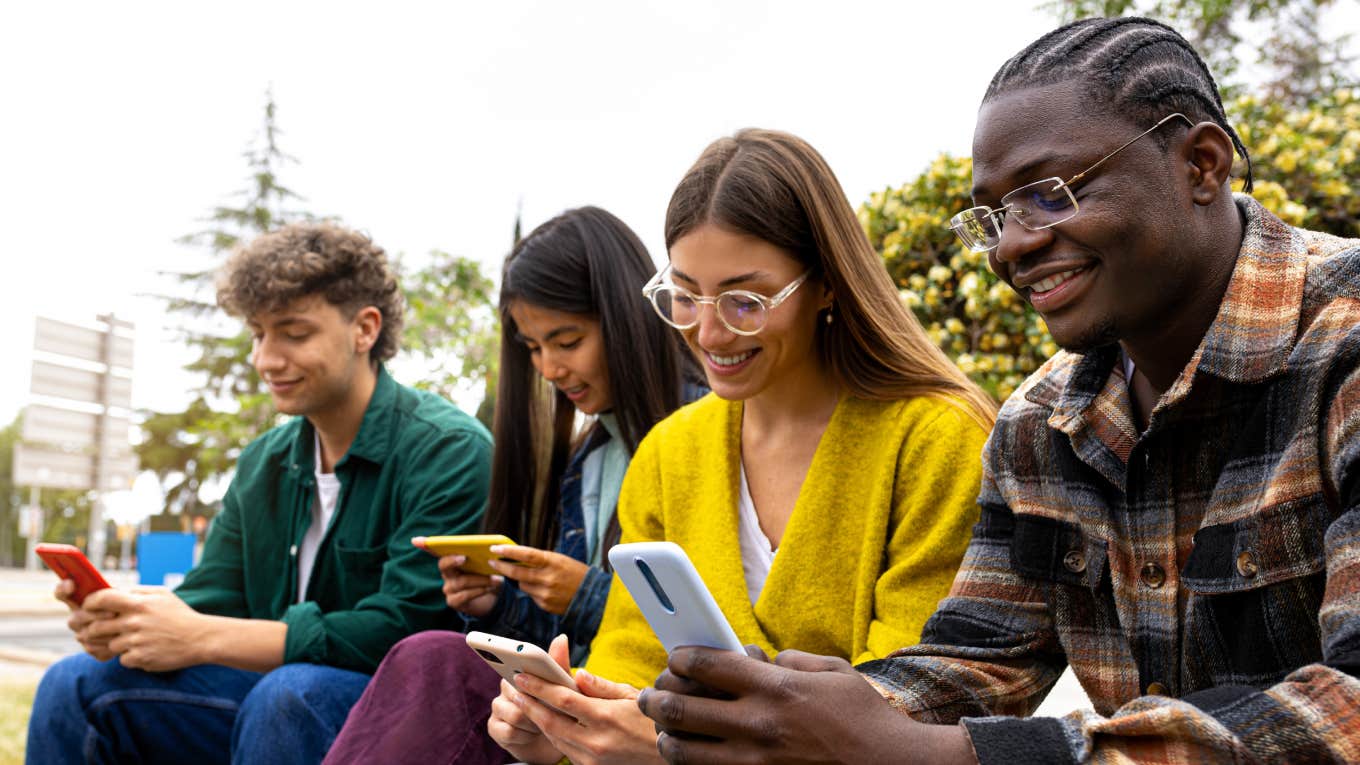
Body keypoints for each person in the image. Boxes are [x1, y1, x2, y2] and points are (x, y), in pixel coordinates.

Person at [637, 16, 1360, 765]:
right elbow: (977, 659)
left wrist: (955, 756)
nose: (1012, 244)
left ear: (1202, 164)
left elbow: (1348, 710)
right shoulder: (1042, 424)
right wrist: (811, 709)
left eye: (1050, 195)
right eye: (995, 215)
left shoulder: (1344, 347)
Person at [486, 128, 998, 765]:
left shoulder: (936, 440)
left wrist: (676, 745)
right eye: (685, 296)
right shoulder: (670, 453)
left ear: (827, 284)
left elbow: (920, 703)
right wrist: (568, 727)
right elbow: (631, 655)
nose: (708, 331)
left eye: (746, 300)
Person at [27, 222, 493, 765]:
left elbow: (406, 627)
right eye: (258, 334)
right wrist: (128, 621)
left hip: (398, 714)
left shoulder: (448, 450)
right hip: (272, 698)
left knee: (289, 695)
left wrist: (203, 638)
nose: (266, 360)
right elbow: (214, 595)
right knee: (75, 683)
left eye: (293, 334)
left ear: (365, 329)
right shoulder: (264, 460)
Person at [323, 206, 702, 764]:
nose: (548, 367)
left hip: (643, 716)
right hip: (571, 705)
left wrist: (587, 595)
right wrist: (496, 605)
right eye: (532, 348)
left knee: (429, 661)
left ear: (625, 318)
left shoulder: (704, 435)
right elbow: (563, 642)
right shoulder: (589, 456)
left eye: (567, 341)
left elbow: (712, 629)